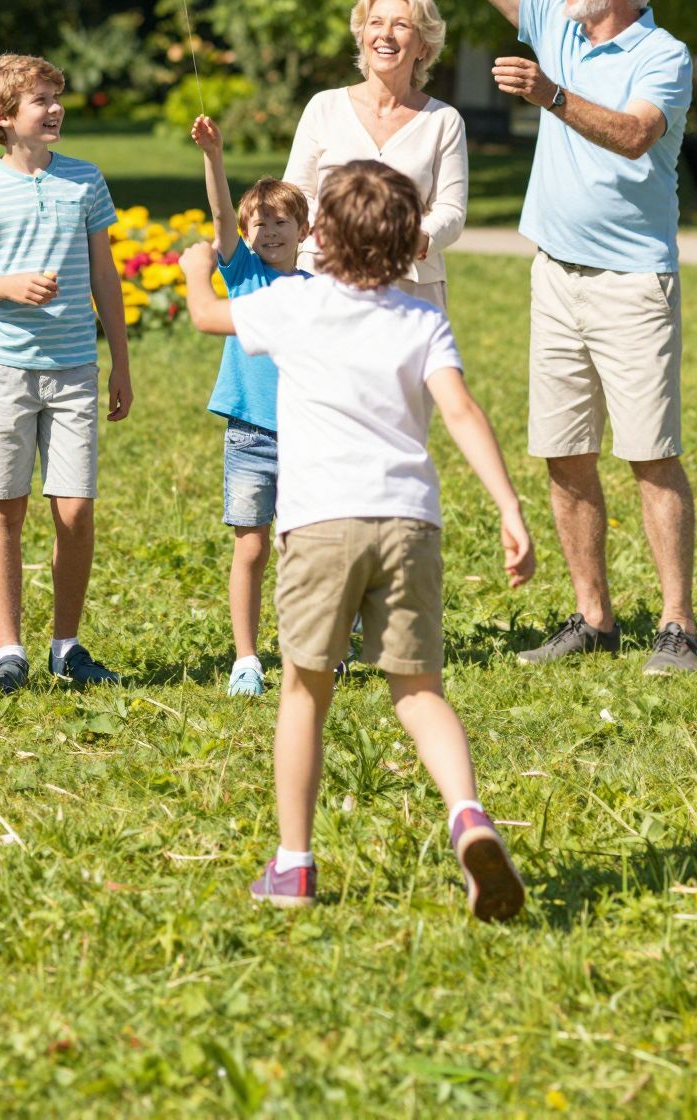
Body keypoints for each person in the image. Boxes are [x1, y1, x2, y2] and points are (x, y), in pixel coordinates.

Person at [183, 160, 533, 917]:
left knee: (305, 689)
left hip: (321, 525)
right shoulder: (421, 319)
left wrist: (191, 271)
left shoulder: (294, 308)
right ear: (409, 243)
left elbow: (209, 316)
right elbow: (464, 411)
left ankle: (294, 864)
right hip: (410, 522)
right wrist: (508, 506)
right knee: (417, 690)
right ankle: (467, 814)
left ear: (319, 236)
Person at [383, 0, 697, 675]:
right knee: (564, 449)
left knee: (649, 451)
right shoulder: (556, 21)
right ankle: (593, 617)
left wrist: (552, 96)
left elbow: (635, 136)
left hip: (633, 281)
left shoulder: (660, 56)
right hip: (554, 273)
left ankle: (676, 624)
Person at [0, 53, 132, 692]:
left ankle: (66, 645)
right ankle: (9, 651)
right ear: (3, 117)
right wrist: (9, 285)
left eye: (57, 96)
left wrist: (120, 362)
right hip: (5, 374)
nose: (54, 109)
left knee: (75, 511)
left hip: (77, 367)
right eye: (40, 100)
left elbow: (105, 276)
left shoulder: (85, 181)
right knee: (5, 508)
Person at [190, 114, 310, 697]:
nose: (269, 232)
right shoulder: (243, 278)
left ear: (304, 231)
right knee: (252, 545)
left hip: (310, 437)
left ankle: (311, 647)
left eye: (281, 222)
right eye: (258, 223)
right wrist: (214, 155)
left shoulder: (320, 289)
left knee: (303, 548)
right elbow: (218, 218)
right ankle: (246, 658)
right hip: (250, 436)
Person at [284, 0, 466, 311]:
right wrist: (341, 235)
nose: (385, 34)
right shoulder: (324, 107)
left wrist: (407, 241)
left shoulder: (444, 120)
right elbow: (295, 195)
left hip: (410, 288)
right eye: (376, 23)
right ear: (363, 36)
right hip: (326, 279)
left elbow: (450, 211)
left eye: (401, 25)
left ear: (424, 46)